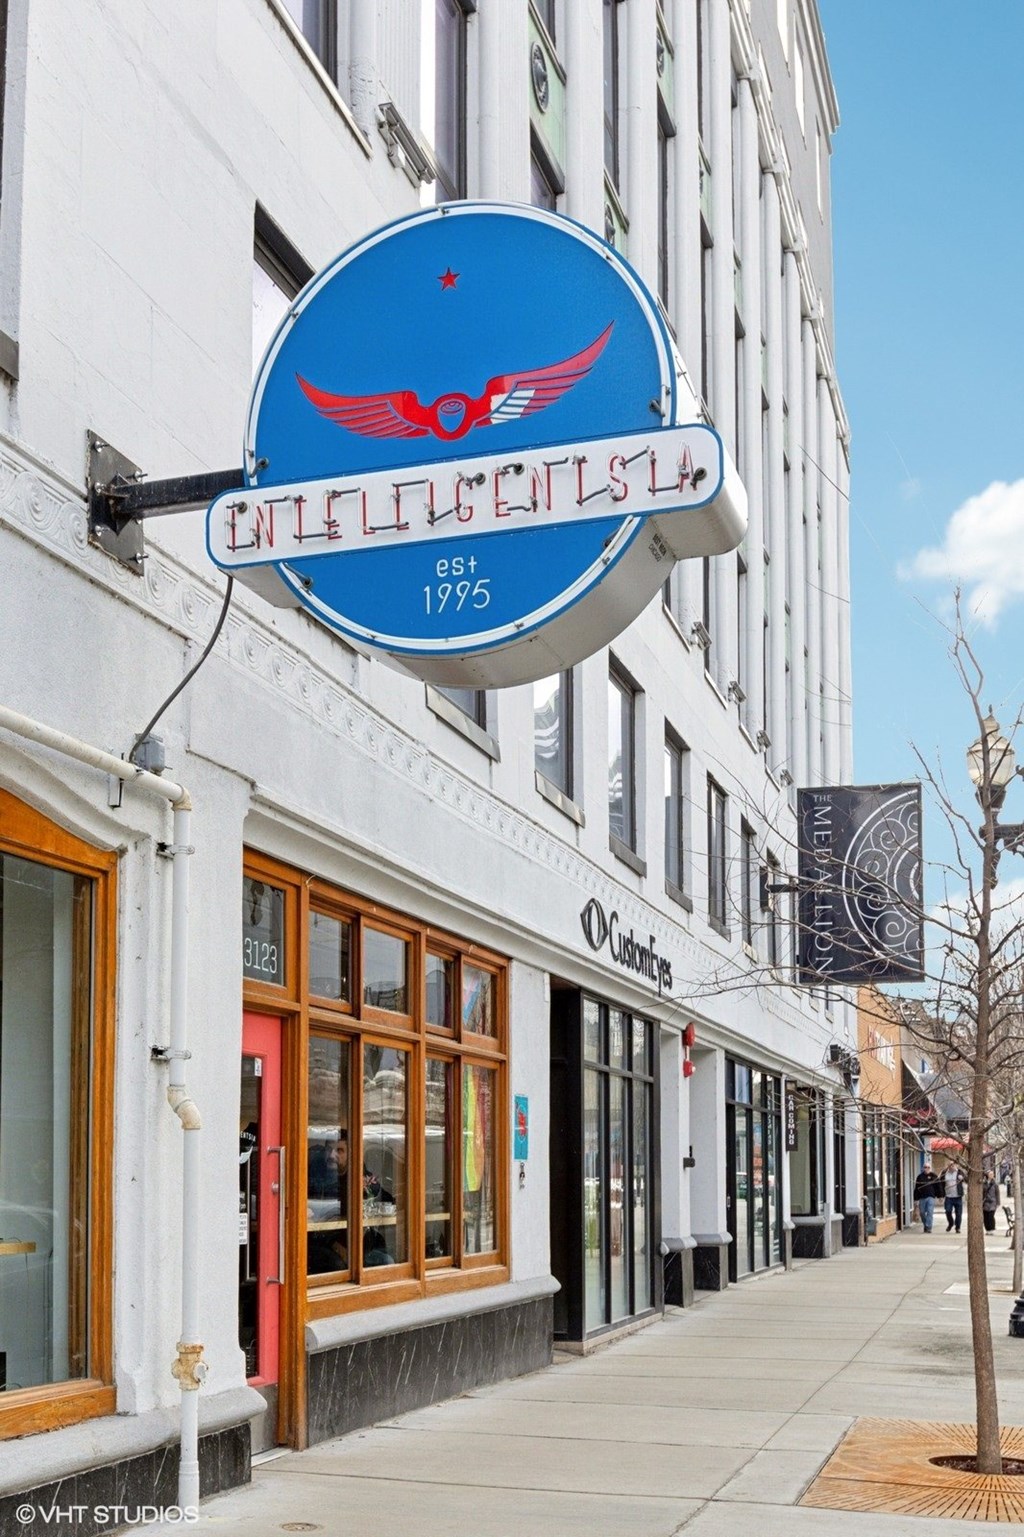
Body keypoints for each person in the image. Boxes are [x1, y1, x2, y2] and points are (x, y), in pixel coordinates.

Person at [914, 1161, 943, 1233]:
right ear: (923, 1168)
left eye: (928, 1167)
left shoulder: (934, 1176)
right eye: (925, 1167)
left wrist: (940, 1196)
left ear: (931, 1168)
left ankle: (929, 1227)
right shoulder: (920, 1177)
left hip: (931, 1197)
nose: (927, 1168)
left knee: (930, 1212)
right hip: (922, 1198)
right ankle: (926, 1225)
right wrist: (916, 1199)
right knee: (922, 1213)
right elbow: (917, 1188)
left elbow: (939, 1186)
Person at [943, 1159, 965, 1233]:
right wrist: (941, 1194)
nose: (951, 1166)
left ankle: (958, 1227)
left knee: (958, 1214)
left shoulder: (959, 1172)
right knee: (948, 1211)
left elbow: (967, 1179)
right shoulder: (944, 1173)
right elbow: (940, 1183)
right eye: (950, 1165)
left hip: (958, 1196)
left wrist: (962, 1178)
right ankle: (951, 1223)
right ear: (948, 1166)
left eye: (952, 1165)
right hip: (948, 1197)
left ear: (955, 1165)